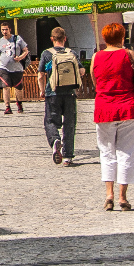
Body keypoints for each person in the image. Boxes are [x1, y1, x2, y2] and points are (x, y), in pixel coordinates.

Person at [93, 21, 134, 211]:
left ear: (105, 38)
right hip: (128, 107)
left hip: (104, 108)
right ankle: (123, 196)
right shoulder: (128, 54)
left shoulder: (97, 56)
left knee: (106, 152)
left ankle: (109, 195)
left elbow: (95, 80)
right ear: (122, 37)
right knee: (127, 151)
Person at [38, 26, 84, 166]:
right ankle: (68, 157)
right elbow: (81, 71)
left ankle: (55, 140)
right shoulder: (72, 52)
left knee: (50, 121)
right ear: (65, 38)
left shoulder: (47, 54)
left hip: (53, 92)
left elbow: (40, 75)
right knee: (69, 124)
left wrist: (42, 90)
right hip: (70, 93)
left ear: (52, 39)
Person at [0, 22, 30, 114]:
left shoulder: (17, 39)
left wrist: (20, 58)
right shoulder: (0, 41)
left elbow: (26, 51)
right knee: (5, 87)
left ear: (10, 29)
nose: (4, 31)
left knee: (18, 88)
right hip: (4, 68)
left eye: (6, 29)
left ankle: (19, 104)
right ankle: (7, 107)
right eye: (2, 30)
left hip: (17, 68)